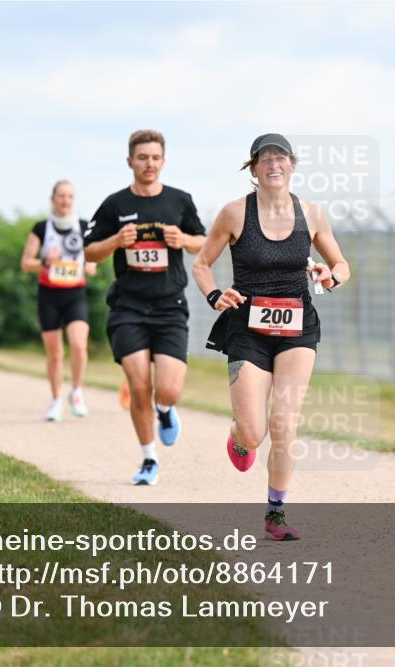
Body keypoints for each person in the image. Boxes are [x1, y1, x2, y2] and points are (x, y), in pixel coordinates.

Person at [192, 134, 350, 540]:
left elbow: (341, 264)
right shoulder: (233, 213)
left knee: (284, 424)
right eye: (265, 160)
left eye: (281, 158)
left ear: (292, 166)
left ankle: (275, 513)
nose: (274, 165)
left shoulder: (312, 213)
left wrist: (329, 275)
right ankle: (238, 437)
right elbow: (202, 264)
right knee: (254, 431)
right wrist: (215, 294)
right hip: (248, 329)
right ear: (254, 169)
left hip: (298, 328)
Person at [84, 129, 206, 486]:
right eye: (142, 157)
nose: (149, 164)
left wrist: (182, 239)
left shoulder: (180, 201)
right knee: (139, 387)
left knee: (167, 390)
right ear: (129, 161)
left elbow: (203, 243)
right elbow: (89, 251)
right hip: (128, 306)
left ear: (163, 162)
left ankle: (166, 410)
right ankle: (149, 459)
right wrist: (115, 241)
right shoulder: (114, 205)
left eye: (155, 158)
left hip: (170, 306)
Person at [20, 180, 98, 421]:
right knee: (54, 354)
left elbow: (94, 263)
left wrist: (90, 263)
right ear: (52, 199)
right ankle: (55, 399)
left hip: (75, 294)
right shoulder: (41, 228)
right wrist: (46, 262)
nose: (65, 200)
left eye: (70, 197)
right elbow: (25, 263)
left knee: (78, 344)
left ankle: (75, 392)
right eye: (61, 196)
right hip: (49, 295)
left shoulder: (84, 227)